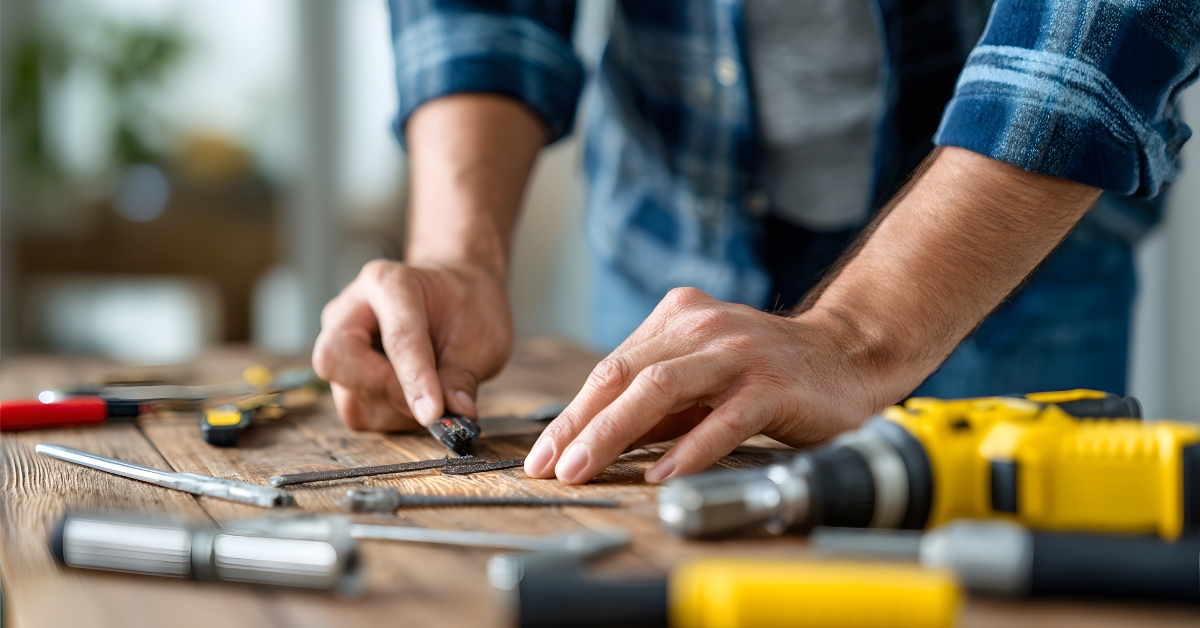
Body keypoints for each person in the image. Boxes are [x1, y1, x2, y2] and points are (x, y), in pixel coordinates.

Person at [312, 1, 1198, 485]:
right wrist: (461, 255)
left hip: (1005, 258)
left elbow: (1099, 28)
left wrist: (856, 338)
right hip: (670, 243)